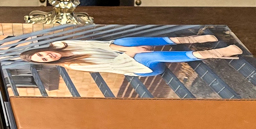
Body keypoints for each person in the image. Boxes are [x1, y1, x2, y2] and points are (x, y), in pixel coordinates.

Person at [19, 34, 242, 76]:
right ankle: (213, 53)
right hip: (141, 68)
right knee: (144, 57)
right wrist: (133, 55)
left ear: (44, 49)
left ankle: (188, 40)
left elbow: (105, 45)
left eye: (44, 54)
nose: (49, 57)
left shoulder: (66, 45)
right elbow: (115, 65)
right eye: (45, 61)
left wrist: (130, 49)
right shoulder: (75, 65)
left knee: (124, 42)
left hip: (129, 53)